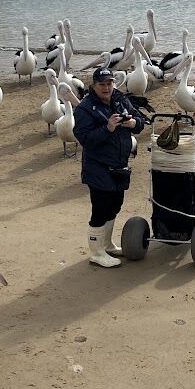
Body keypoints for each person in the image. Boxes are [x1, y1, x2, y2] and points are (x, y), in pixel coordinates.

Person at [73, 68, 147, 267]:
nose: (106, 88)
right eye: (102, 84)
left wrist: (133, 123)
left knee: (115, 205)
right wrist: (108, 128)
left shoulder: (121, 99)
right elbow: (85, 139)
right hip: (97, 166)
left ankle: (107, 245)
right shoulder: (85, 108)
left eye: (109, 83)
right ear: (94, 85)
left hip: (119, 165)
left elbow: (140, 121)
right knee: (100, 208)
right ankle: (96, 253)